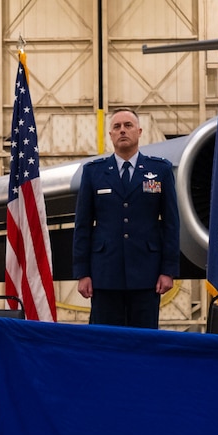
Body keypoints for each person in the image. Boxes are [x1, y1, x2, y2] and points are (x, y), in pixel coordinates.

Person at [72, 107, 179, 329]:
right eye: (117, 127)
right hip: (104, 275)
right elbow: (82, 226)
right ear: (110, 135)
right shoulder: (94, 172)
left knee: (144, 341)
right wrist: (83, 273)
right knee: (105, 342)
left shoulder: (160, 170)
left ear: (139, 132)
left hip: (147, 274)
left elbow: (171, 224)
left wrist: (168, 271)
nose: (123, 131)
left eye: (128, 126)